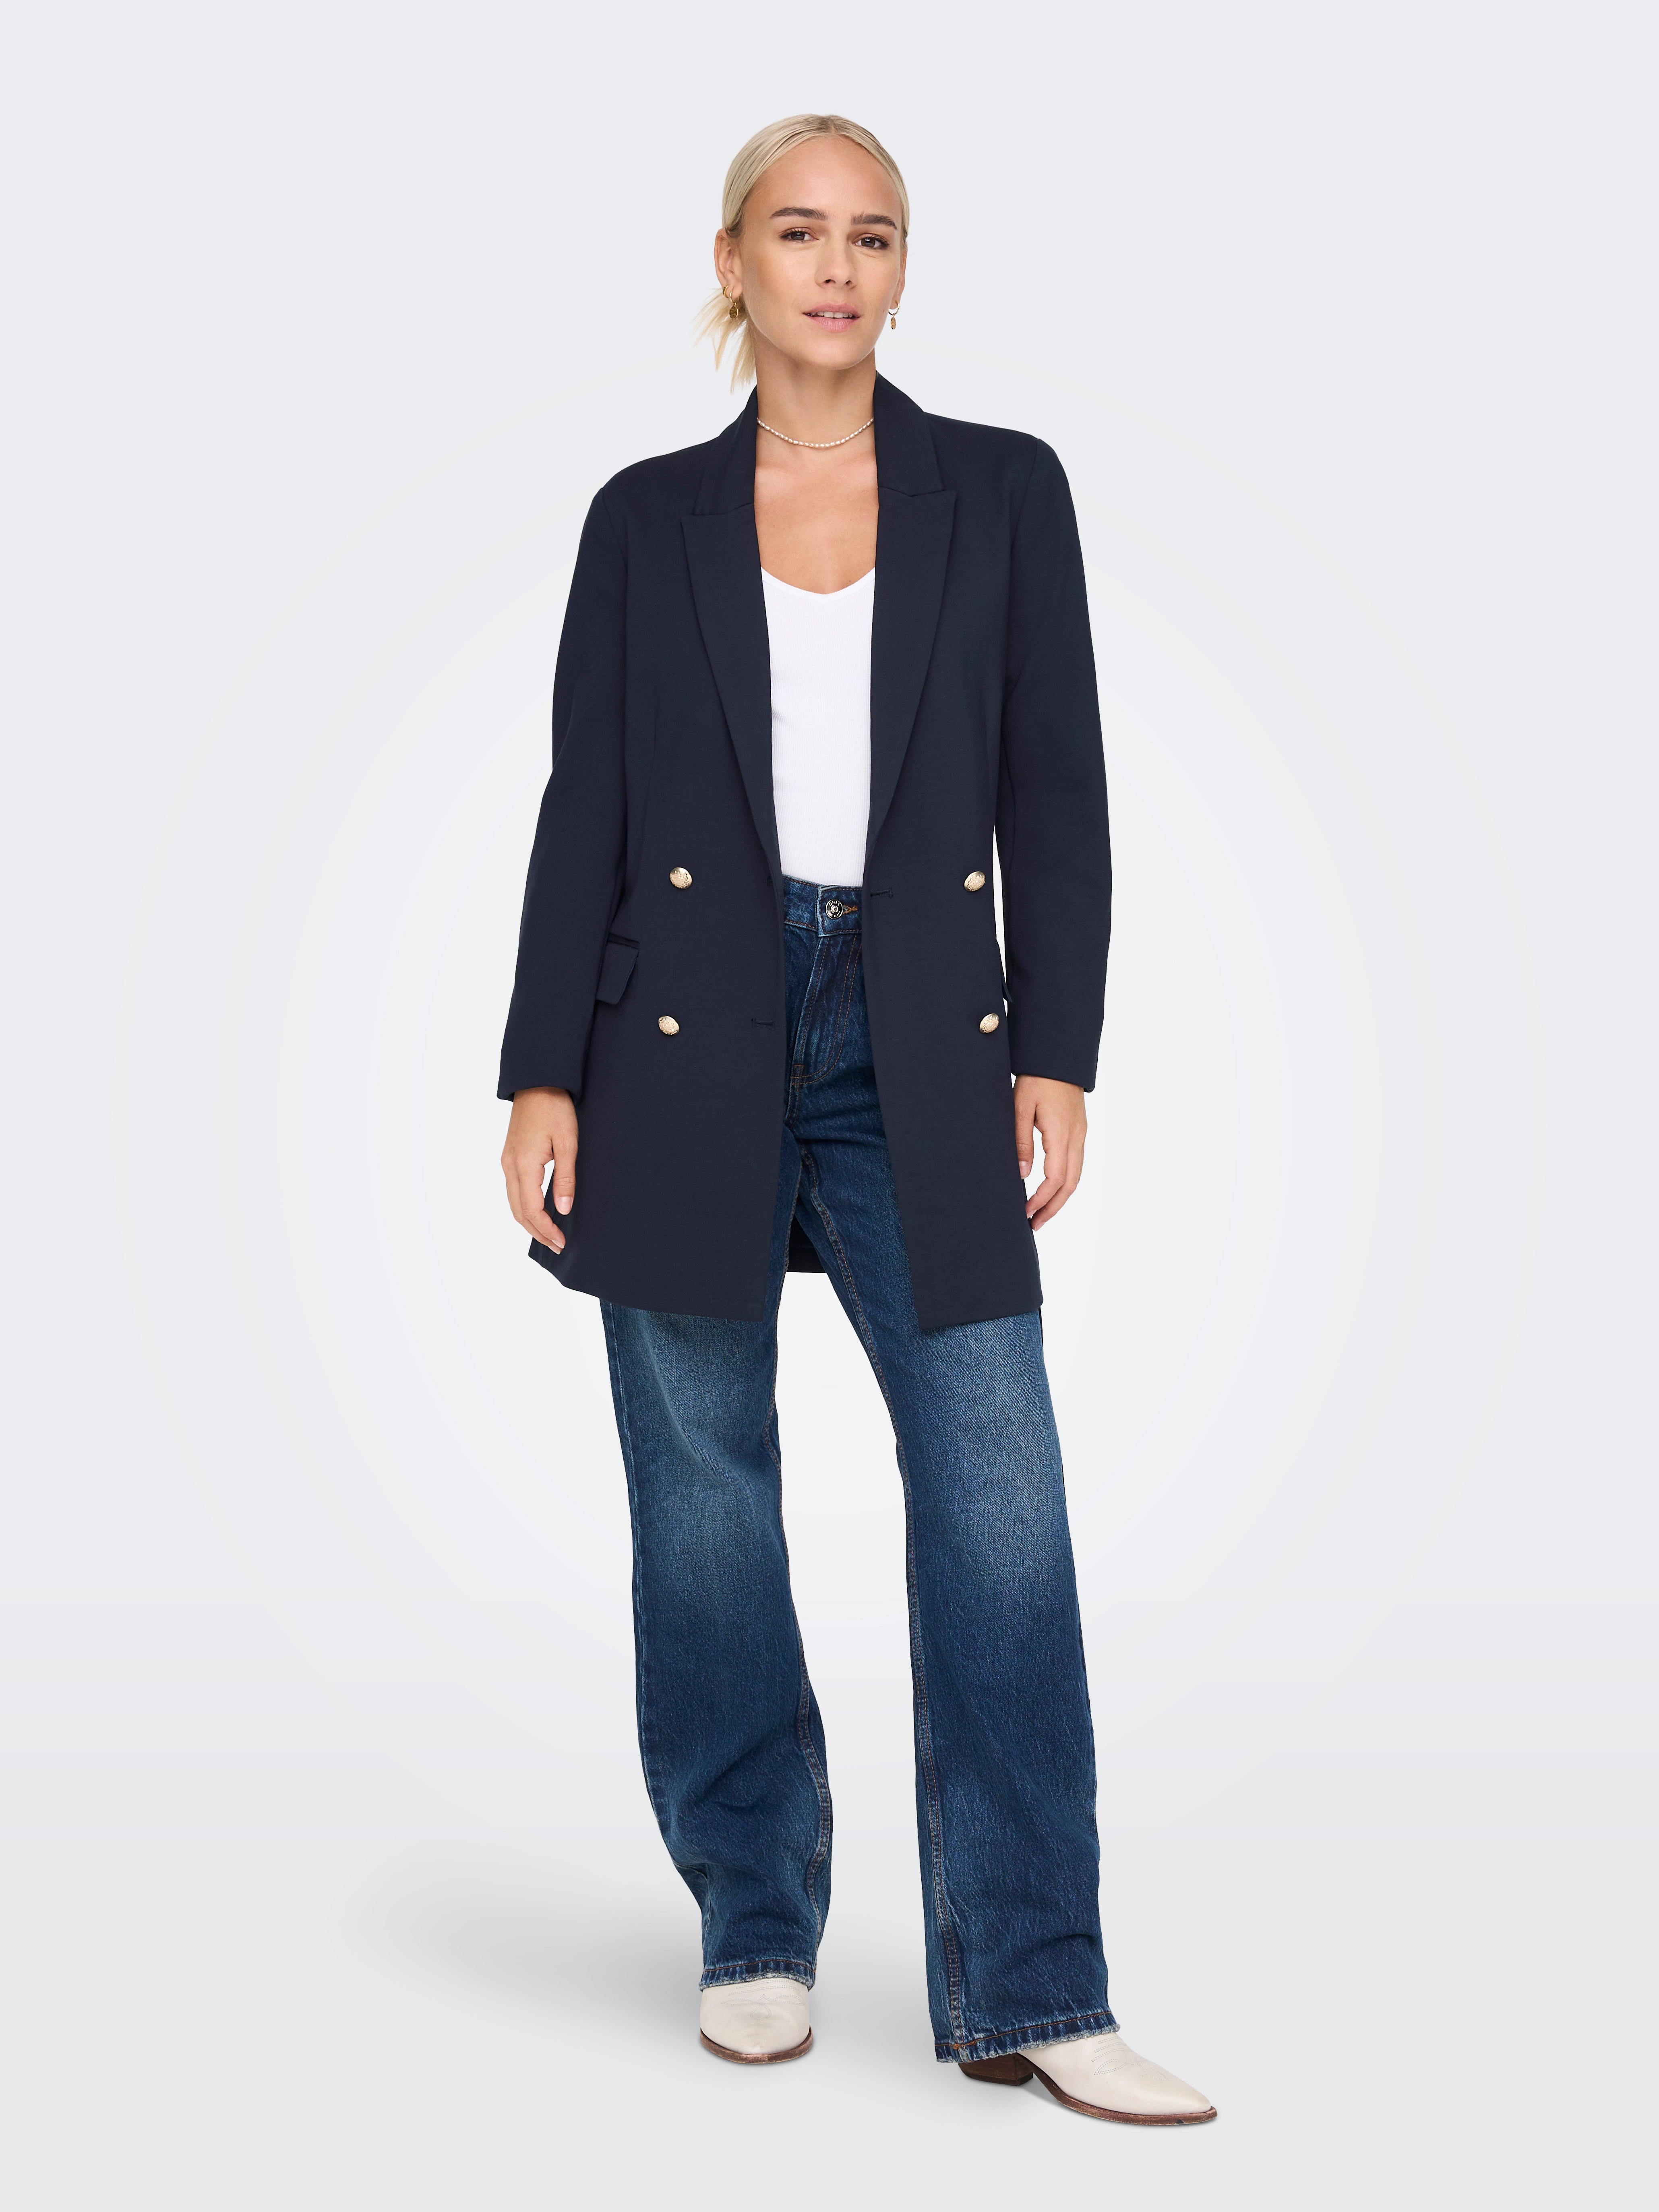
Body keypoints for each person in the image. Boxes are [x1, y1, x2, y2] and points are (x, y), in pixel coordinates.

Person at [498, 113, 1215, 2126]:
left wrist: (1056, 1048)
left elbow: (1055, 788)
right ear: (730, 262)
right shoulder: (643, 517)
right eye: (798, 232)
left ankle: (1034, 1981)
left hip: (922, 1036)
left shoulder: (1004, 490)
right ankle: (754, 1923)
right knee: (704, 1499)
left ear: (905, 270)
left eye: (873, 235)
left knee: (997, 1494)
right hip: (674, 1033)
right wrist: (540, 1066)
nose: (837, 267)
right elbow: (585, 801)